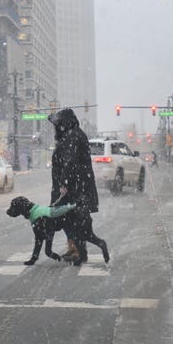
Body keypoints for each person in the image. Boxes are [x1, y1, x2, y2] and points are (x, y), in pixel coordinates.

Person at [48, 108, 99, 262]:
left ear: (65, 123)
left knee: (75, 218)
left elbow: (70, 162)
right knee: (66, 217)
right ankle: (73, 247)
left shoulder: (73, 136)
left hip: (74, 186)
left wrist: (64, 182)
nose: (56, 127)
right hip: (73, 184)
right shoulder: (71, 135)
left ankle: (78, 250)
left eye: (58, 124)